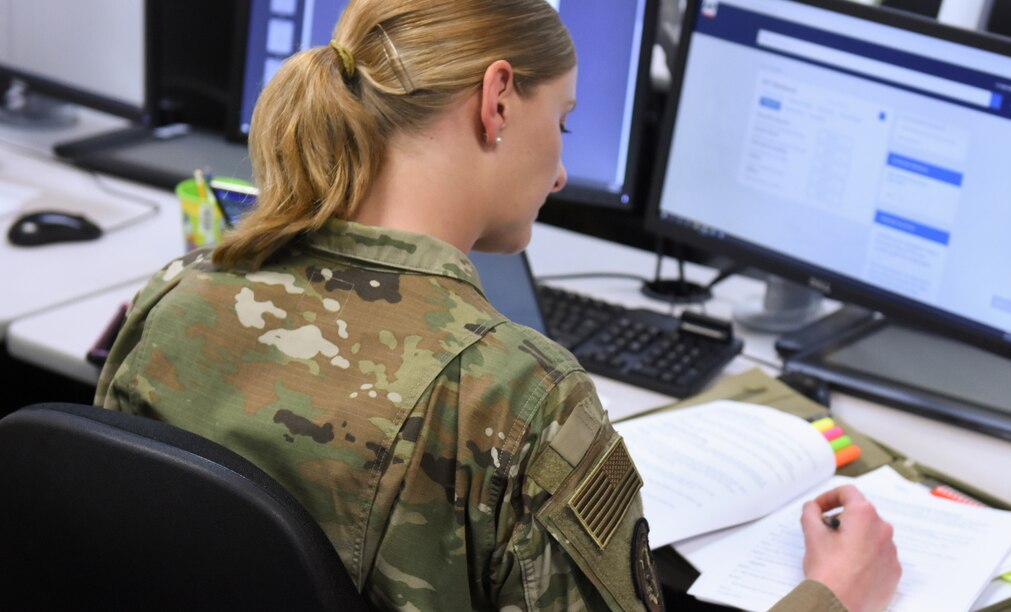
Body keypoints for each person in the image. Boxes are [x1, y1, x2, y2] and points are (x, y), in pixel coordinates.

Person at [95, 0, 900, 609]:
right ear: (499, 100)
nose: (559, 172)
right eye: (565, 120)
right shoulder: (519, 394)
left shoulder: (177, 296)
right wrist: (834, 593)